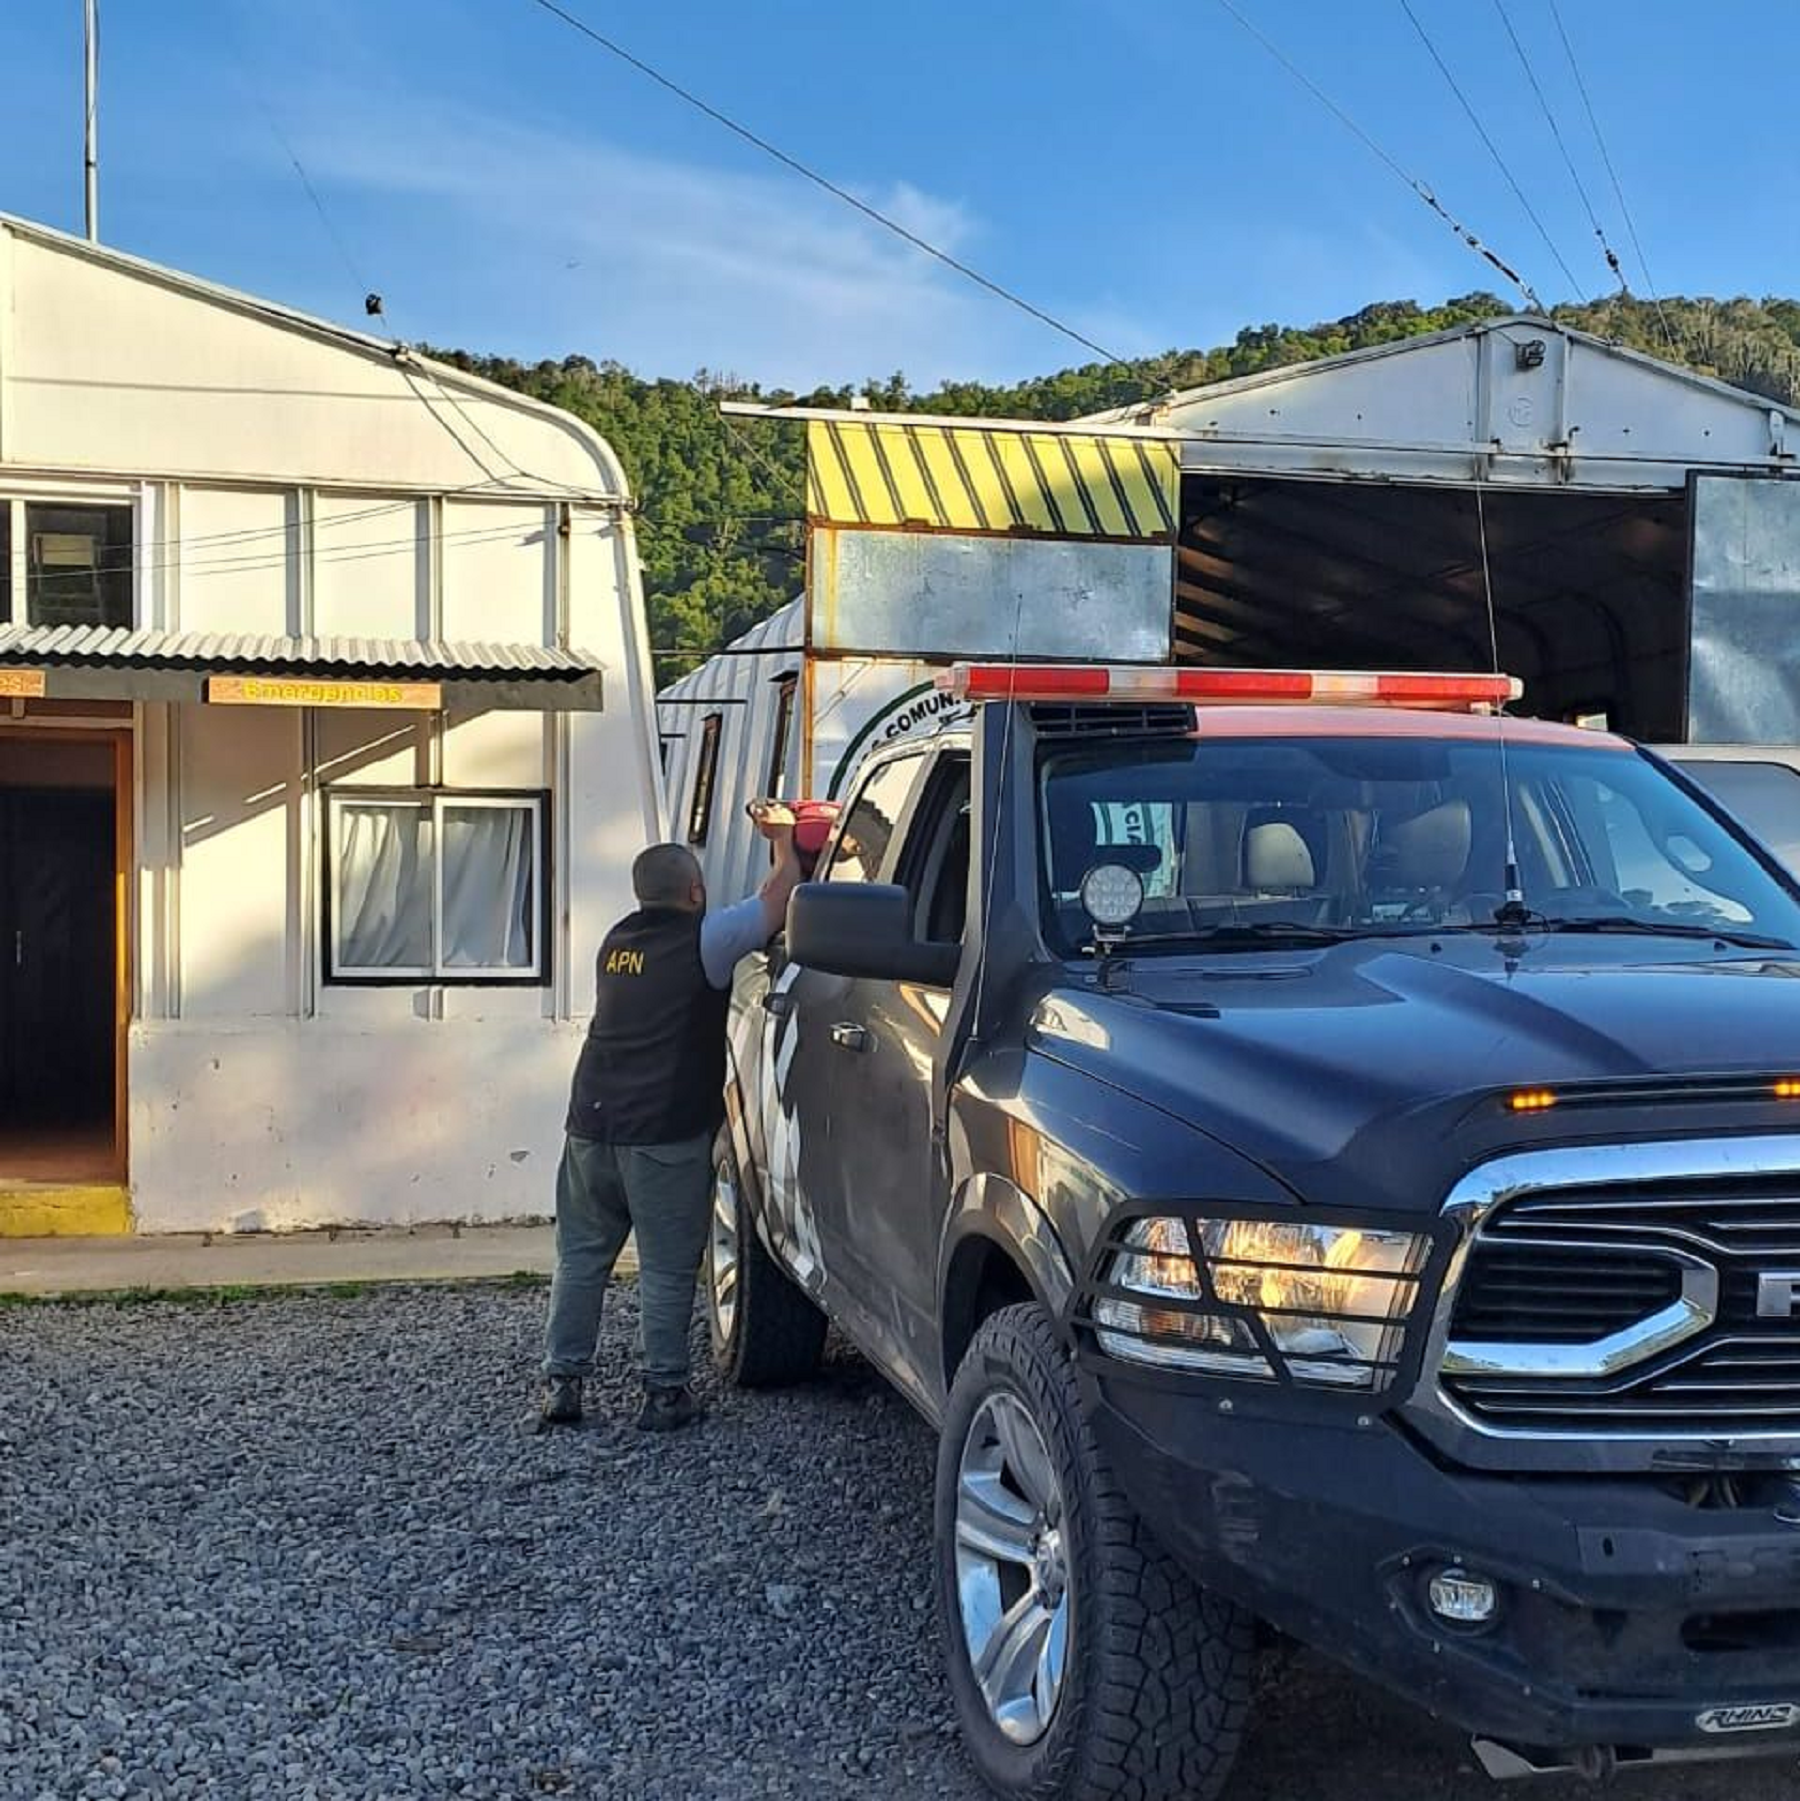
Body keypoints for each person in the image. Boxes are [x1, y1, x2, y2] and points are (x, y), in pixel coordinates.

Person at [540, 799, 804, 1431]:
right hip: (660, 1134)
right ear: (694, 890)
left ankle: (562, 1386)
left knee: (580, 1258)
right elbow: (780, 899)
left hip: (590, 1126)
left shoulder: (616, 943)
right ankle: (664, 1393)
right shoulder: (704, 939)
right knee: (664, 1265)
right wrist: (785, 842)